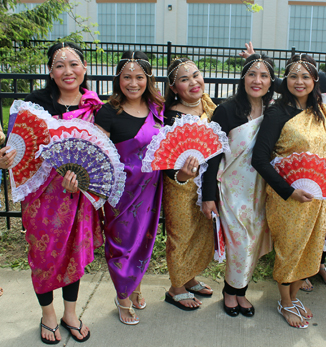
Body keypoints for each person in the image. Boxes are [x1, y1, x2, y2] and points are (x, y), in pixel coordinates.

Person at [240, 38, 326, 290]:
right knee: (291, 236)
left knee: (322, 224)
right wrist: (255, 62)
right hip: (295, 168)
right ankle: (293, 280)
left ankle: (316, 265)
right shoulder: (317, 82)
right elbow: (286, 82)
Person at [0, 42, 103, 344]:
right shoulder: (34, 104)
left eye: (74, 64)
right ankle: (48, 314)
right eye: (60, 65)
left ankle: (70, 313)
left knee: (74, 253)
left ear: (84, 68)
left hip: (79, 194)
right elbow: (15, 147)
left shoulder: (97, 108)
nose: (68, 71)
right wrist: (4, 156)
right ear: (50, 71)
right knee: (43, 256)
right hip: (42, 197)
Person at [252, 54, 326, 329]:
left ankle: (294, 296)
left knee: (310, 249)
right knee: (290, 250)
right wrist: (289, 192)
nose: (299, 82)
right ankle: (285, 302)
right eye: (293, 76)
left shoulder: (321, 111)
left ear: (315, 81)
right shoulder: (277, 113)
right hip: (288, 198)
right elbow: (260, 159)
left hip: (318, 197)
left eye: (305, 76)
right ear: (285, 81)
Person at [201, 54, 275, 317]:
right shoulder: (225, 110)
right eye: (252, 74)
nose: (257, 80)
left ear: (271, 81)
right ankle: (229, 292)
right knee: (239, 243)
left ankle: (240, 292)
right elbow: (212, 156)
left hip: (259, 189)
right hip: (231, 189)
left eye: (264, 75)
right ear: (243, 78)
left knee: (252, 242)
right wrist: (208, 195)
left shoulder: (273, 112)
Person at [94, 51, 164, 325]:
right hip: (121, 191)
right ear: (118, 79)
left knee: (144, 241)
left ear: (148, 79)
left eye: (139, 77)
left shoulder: (157, 109)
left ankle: (133, 285)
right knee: (122, 244)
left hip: (150, 189)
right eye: (127, 77)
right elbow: (100, 154)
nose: (133, 83)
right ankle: (122, 297)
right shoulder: (108, 111)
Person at [162, 58, 216, 310]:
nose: (194, 82)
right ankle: (176, 288)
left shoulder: (208, 106)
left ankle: (190, 277)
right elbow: (163, 160)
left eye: (196, 75)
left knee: (200, 232)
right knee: (181, 235)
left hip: (205, 183)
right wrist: (181, 175)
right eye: (184, 79)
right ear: (174, 88)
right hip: (180, 185)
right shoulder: (171, 116)